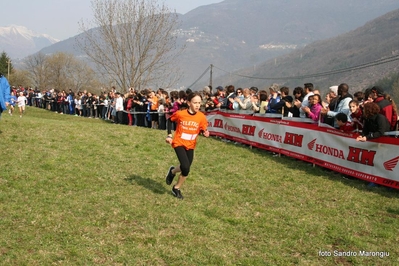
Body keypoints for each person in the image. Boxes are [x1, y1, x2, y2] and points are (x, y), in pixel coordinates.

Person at [165, 92, 210, 199]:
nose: (198, 105)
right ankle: (176, 189)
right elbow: (169, 120)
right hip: (179, 142)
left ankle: (173, 174)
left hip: (191, 145)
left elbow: (204, 127)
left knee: (186, 168)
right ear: (189, 103)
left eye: (199, 103)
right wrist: (169, 135)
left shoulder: (201, 117)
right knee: (185, 166)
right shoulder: (181, 114)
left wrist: (205, 132)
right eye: (195, 103)